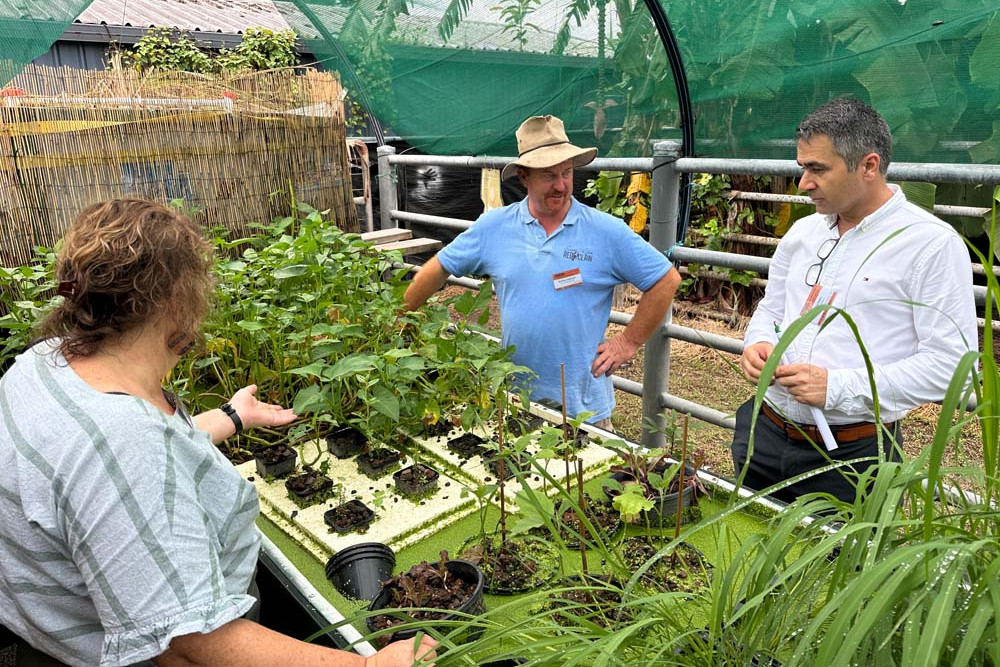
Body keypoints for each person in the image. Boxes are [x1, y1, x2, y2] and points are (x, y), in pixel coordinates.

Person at [0, 199, 437, 667]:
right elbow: (189, 641)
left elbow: (103, 479)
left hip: (45, 637)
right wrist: (369, 666)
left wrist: (231, 416)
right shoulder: (123, 443)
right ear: (176, 299)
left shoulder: (45, 362)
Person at [731, 98, 978, 504]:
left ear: (868, 165)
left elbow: (951, 367)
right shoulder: (803, 234)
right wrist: (756, 343)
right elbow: (773, 309)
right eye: (802, 168)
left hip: (852, 455)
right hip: (764, 431)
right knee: (747, 546)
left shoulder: (930, 245)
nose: (803, 183)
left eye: (818, 169)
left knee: (838, 565)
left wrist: (838, 387)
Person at [404, 115, 680, 430]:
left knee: (586, 477)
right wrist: (399, 317)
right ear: (524, 176)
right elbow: (438, 268)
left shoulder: (605, 232)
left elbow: (665, 279)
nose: (561, 185)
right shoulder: (495, 228)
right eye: (549, 175)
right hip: (514, 399)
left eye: (567, 172)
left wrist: (628, 341)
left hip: (584, 409)